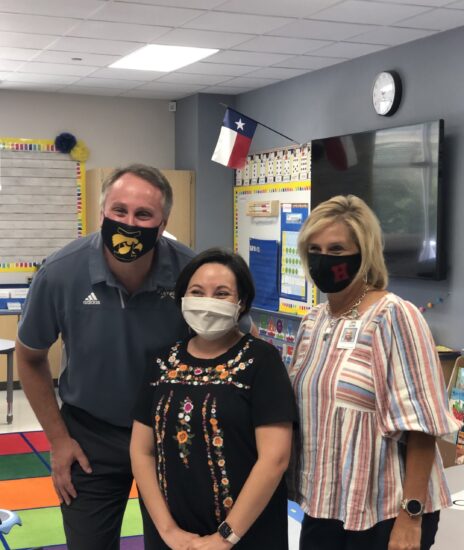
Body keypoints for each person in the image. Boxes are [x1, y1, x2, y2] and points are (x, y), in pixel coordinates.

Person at [16, 164, 196, 549]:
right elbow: (29, 357)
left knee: (178, 543)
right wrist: (58, 440)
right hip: (89, 437)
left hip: (169, 434)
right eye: (119, 211)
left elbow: (230, 348)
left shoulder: (190, 272)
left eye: (143, 215)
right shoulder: (61, 273)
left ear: (162, 224)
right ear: (101, 215)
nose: (129, 223)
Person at [288, 195, 461, 550]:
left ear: (363, 254)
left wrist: (411, 515)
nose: (324, 259)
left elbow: (422, 426)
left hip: (386, 513)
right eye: (315, 249)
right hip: (325, 506)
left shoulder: (395, 316)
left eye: (337, 249)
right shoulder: (312, 323)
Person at [130, 247, 296, 549]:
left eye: (221, 293)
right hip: (172, 535)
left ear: (241, 302)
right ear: (183, 298)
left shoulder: (262, 361)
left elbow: (275, 458)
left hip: (246, 535)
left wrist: (225, 537)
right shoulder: (161, 361)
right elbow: (141, 451)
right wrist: (167, 531)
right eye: (197, 291)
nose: (207, 302)